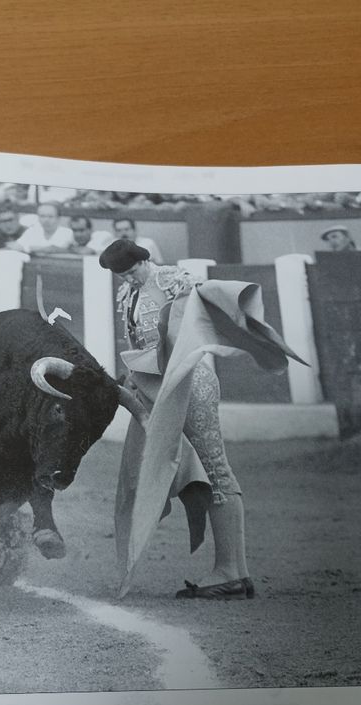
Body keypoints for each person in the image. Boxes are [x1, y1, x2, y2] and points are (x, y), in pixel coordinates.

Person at [99, 239, 252, 600]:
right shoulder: (128, 294)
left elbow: (197, 325)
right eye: (122, 276)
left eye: (132, 271)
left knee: (215, 469)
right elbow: (140, 345)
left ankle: (231, 570)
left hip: (188, 385)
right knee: (188, 469)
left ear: (144, 260)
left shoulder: (173, 280)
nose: (130, 280)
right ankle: (235, 572)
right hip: (156, 390)